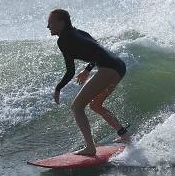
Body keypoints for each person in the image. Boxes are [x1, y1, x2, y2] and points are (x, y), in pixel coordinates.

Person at [47, 8, 130, 156]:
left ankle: (90, 148)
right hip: (119, 66)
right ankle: (124, 135)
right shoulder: (80, 32)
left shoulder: (64, 40)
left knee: (77, 107)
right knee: (96, 105)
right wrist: (88, 69)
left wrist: (58, 88)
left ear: (61, 22)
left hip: (108, 68)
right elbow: (97, 51)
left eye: (51, 22)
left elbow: (70, 71)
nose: (48, 26)